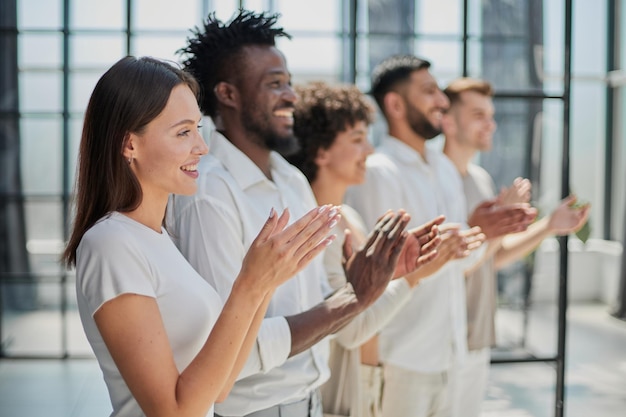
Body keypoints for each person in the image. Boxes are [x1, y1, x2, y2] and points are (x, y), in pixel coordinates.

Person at [61, 55, 344, 417]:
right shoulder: (111, 244)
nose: (202, 146)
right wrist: (249, 284)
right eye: (183, 132)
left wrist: (266, 282)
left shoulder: (157, 238)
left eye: (198, 127)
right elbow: (174, 412)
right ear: (129, 144)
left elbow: (221, 386)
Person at [169, 11, 418, 417]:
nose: (291, 95)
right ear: (228, 94)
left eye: (288, 81)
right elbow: (229, 352)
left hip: (309, 403)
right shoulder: (208, 193)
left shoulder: (291, 180)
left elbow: (318, 303)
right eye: (274, 84)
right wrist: (352, 300)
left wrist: (370, 284)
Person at [344, 55, 536, 417]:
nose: (441, 101)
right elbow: (375, 275)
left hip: (451, 357)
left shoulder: (445, 170)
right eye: (429, 91)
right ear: (395, 104)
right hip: (400, 360)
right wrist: (477, 230)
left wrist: (486, 232)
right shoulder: (378, 172)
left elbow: (459, 267)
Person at [286, 81, 444, 417]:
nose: (369, 151)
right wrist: (411, 278)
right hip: (338, 395)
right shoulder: (315, 228)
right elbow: (349, 330)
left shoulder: (348, 217)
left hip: (367, 382)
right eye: (357, 139)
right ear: (320, 151)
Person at [441, 77, 591, 417]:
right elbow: (456, 260)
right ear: (447, 121)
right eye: (478, 114)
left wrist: (549, 225)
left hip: (476, 336)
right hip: (442, 337)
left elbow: (494, 257)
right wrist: (495, 223)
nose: (490, 123)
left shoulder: (480, 179)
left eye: (490, 114)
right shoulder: (434, 178)